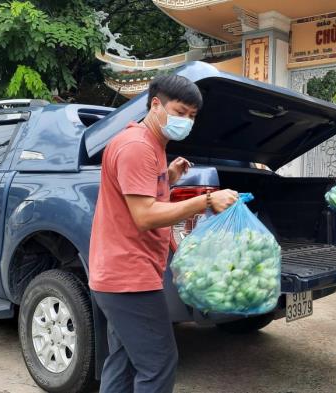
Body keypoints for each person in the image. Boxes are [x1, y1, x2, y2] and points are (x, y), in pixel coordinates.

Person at [89, 75, 239, 393]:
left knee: (124, 361)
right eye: (180, 111)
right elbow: (144, 216)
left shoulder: (152, 145)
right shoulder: (137, 147)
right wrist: (207, 200)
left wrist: (167, 178)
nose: (185, 121)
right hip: (129, 279)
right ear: (156, 104)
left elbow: (141, 197)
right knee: (158, 365)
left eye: (192, 116)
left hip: (118, 274)